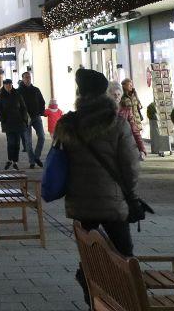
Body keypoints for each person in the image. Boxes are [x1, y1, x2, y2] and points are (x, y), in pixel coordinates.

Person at [54, 68, 140, 301]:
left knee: (90, 255)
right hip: (113, 202)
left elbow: (57, 163)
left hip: (80, 202)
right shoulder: (117, 123)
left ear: (80, 93)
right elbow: (131, 166)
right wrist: (129, 193)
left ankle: (92, 291)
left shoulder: (68, 123)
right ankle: (124, 299)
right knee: (124, 255)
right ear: (104, 93)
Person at [0, 79, 29, 170]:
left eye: (10, 84)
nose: (8, 86)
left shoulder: (17, 94)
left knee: (17, 143)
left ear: (12, 85)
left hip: (18, 122)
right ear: (4, 86)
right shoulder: (1, 96)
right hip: (8, 123)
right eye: (7, 85)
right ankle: (9, 159)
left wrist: (24, 119)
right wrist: (3, 119)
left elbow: (23, 107)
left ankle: (15, 161)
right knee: (11, 142)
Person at [17, 71, 47, 169]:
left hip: (36, 117)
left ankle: (37, 157)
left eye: (29, 77)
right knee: (28, 142)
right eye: (26, 77)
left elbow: (42, 102)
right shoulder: (18, 91)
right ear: (22, 79)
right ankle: (32, 161)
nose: (28, 79)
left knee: (42, 137)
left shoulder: (36, 90)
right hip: (25, 120)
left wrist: (41, 112)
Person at [110, 80, 146, 158]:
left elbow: (135, 131)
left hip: (124, 146)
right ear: (109, 96)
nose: (117, 97)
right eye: (114, 95)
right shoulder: (105, 111)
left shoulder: (126, 111)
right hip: (110, 148)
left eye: (119, 94)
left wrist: (142, 149)